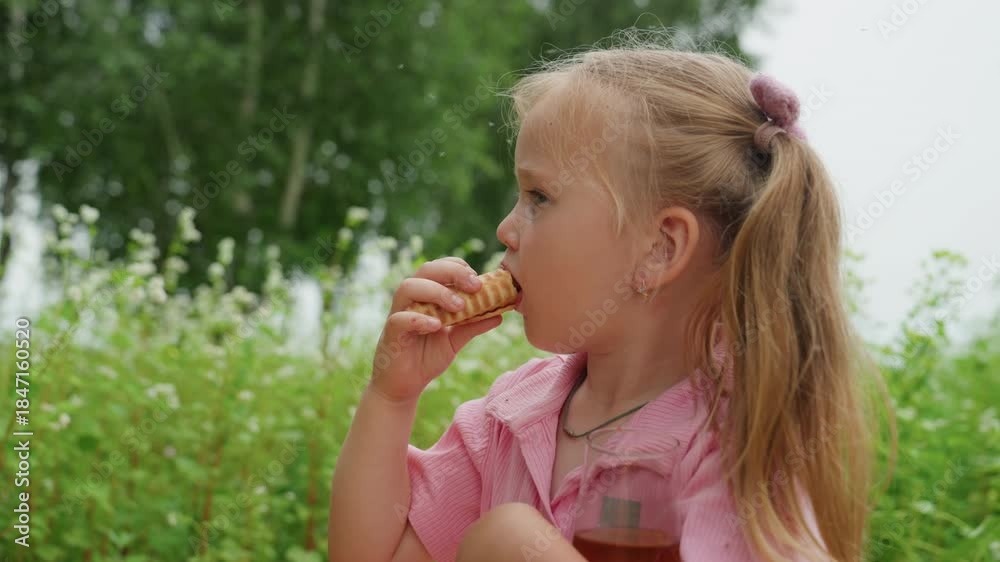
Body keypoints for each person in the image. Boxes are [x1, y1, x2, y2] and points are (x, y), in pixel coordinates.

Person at [329, 30, 891, 562]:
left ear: (660, 249)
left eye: (539, 197)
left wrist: (514, 546)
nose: (505, 229)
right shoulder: (512, 416)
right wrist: (392, 397)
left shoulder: (737, 443)